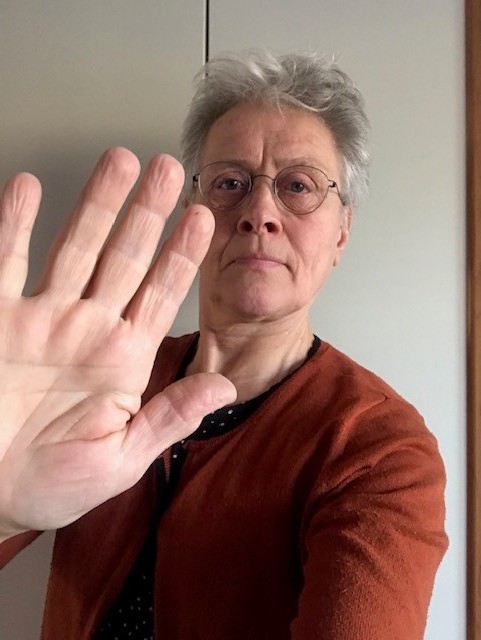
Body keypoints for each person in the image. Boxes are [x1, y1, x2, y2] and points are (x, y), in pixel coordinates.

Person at [0, 51, 447, 640]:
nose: (259, 213)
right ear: (192, 211)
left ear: (342, 231)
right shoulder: (101, 373)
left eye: (298, 186)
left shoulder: (378, 449)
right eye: (230, 183)